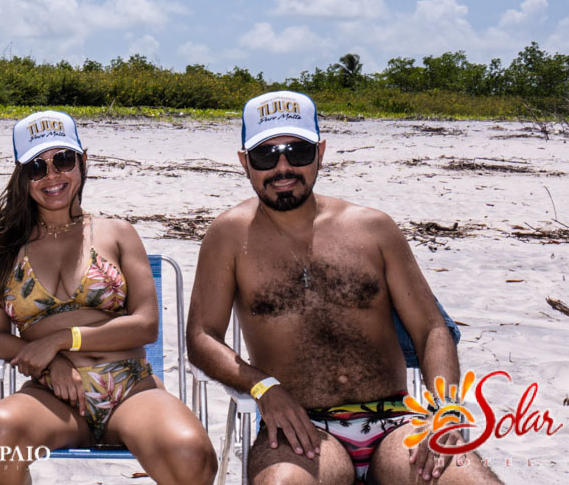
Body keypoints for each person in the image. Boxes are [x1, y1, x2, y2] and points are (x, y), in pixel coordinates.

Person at [187, 90, 501, 484]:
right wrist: (263, 387)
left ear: (320, 152)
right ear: (244, 163)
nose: (282, 168)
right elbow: (201, 337)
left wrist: (446, 409)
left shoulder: (372, 229)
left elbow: (432, 328)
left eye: (297, 152)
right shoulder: (229, 236)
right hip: (300, 426)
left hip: (396, 421)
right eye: (265, 156)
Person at [0, 110, 216, 485]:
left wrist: (61, 341)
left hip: (130, 388)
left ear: (83, 161)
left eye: (63, 160)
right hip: (53, 394)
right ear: (22, 178)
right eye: (37, 167)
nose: (52, 176)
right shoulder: (3, 249)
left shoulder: (117, 233)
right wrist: (52, 365)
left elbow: (146, 325)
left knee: (192, 456)